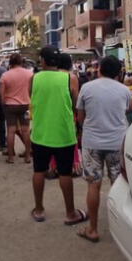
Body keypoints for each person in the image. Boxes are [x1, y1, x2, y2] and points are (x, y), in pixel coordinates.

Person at [75, 56, 132, 243]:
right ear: (118, 73)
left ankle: (92, 229)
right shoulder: (125, 91)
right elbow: (125, 112)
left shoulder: (87, 88)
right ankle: (122, 230)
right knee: (119, 185)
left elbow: (80, 116)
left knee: (93, 184)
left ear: (99, 69)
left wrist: (89, 128)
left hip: (92, 143)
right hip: (117, 142)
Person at [30, 47, 86, 225]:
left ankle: (39, 210)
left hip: (40, 133)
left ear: (43, 61)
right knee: (65, 173)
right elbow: (77, 103)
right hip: (64, 133)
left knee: (39, 171)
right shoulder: (70, 78)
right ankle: (70, 213)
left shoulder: (34, 78)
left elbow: (32, 97)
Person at [0, 53, 33, 164]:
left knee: (11, 131)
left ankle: (11, 157)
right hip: (25, 105)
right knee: (26, 131)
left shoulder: (5, 75)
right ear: (21, 62)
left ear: (10, 63)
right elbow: (32, 90)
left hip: (10, 105)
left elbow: (1, 93)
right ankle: (28, 156)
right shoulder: (30, 74)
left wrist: (4, 103)